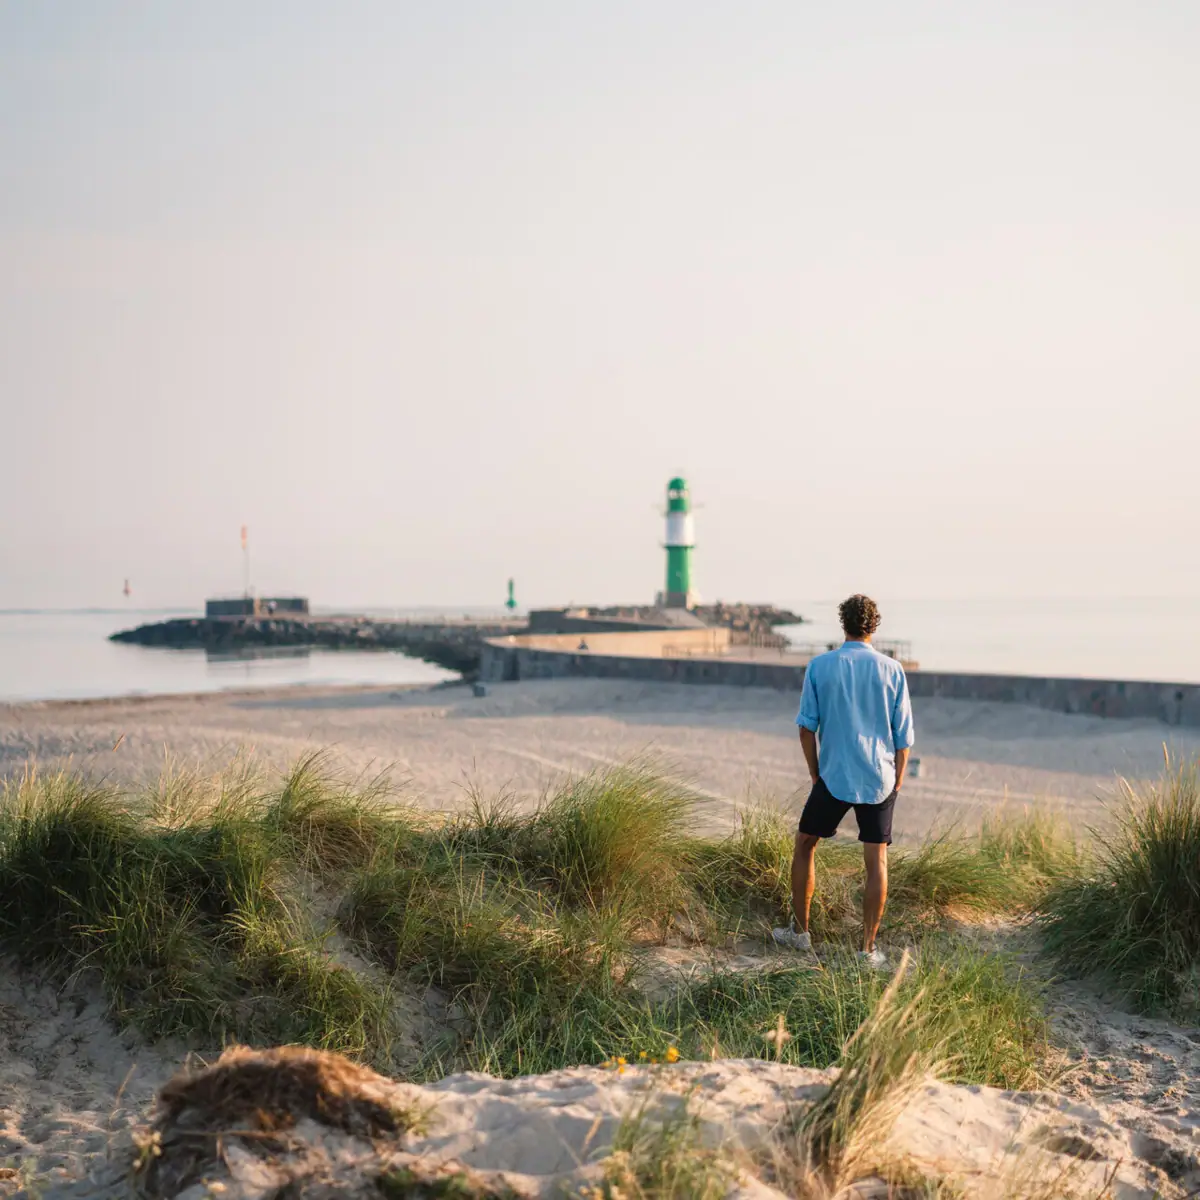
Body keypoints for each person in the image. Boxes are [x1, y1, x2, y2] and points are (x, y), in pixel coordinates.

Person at [773, 594, 914, 969]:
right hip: (878, 777)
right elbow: (903, 740)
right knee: (876, 860)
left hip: (833, 776)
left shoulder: (820, 666)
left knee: (805, 844)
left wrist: (814, 772)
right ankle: (867, 950)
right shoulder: (892, 669)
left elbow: (806, 728)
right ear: (874, 626)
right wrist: (897, 781)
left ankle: (800, 933)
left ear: (843, 624)